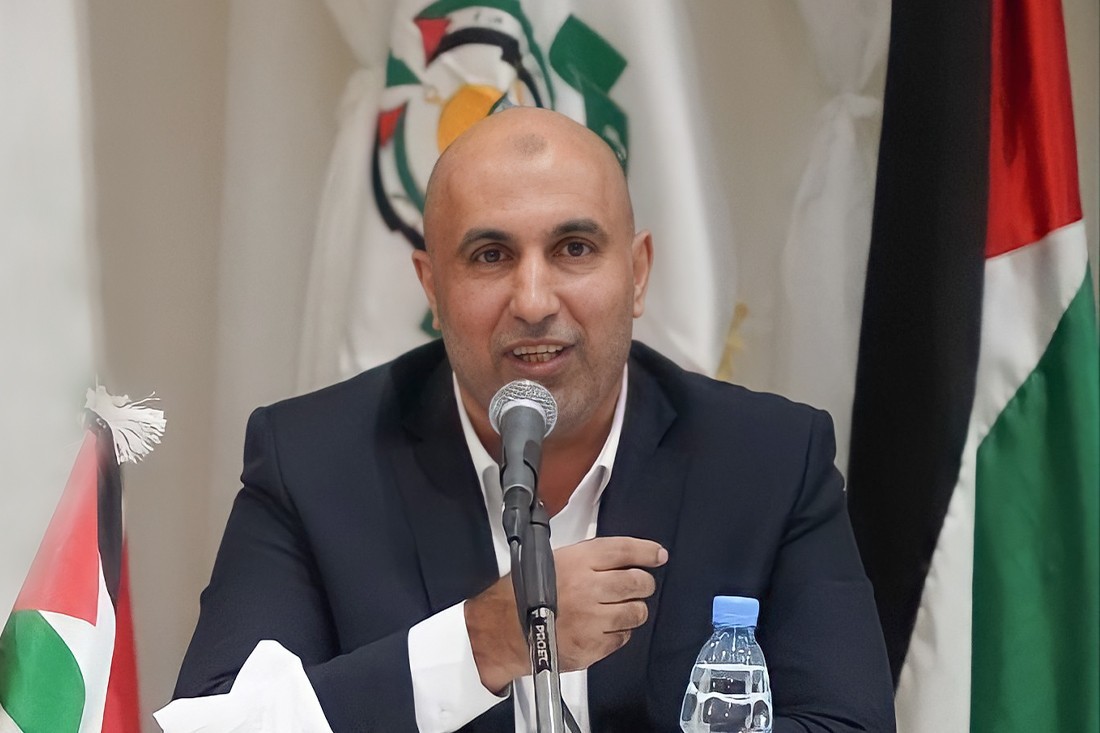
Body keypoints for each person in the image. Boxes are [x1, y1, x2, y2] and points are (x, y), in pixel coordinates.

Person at [166, 108, 895, 732]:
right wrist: (482, 642)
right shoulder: (312, 461)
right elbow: (218, 722)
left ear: (638, 273)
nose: (535, 301)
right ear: (433, 288)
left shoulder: (769, 459)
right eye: (491, 255)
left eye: (574, 249)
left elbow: (848, 722)